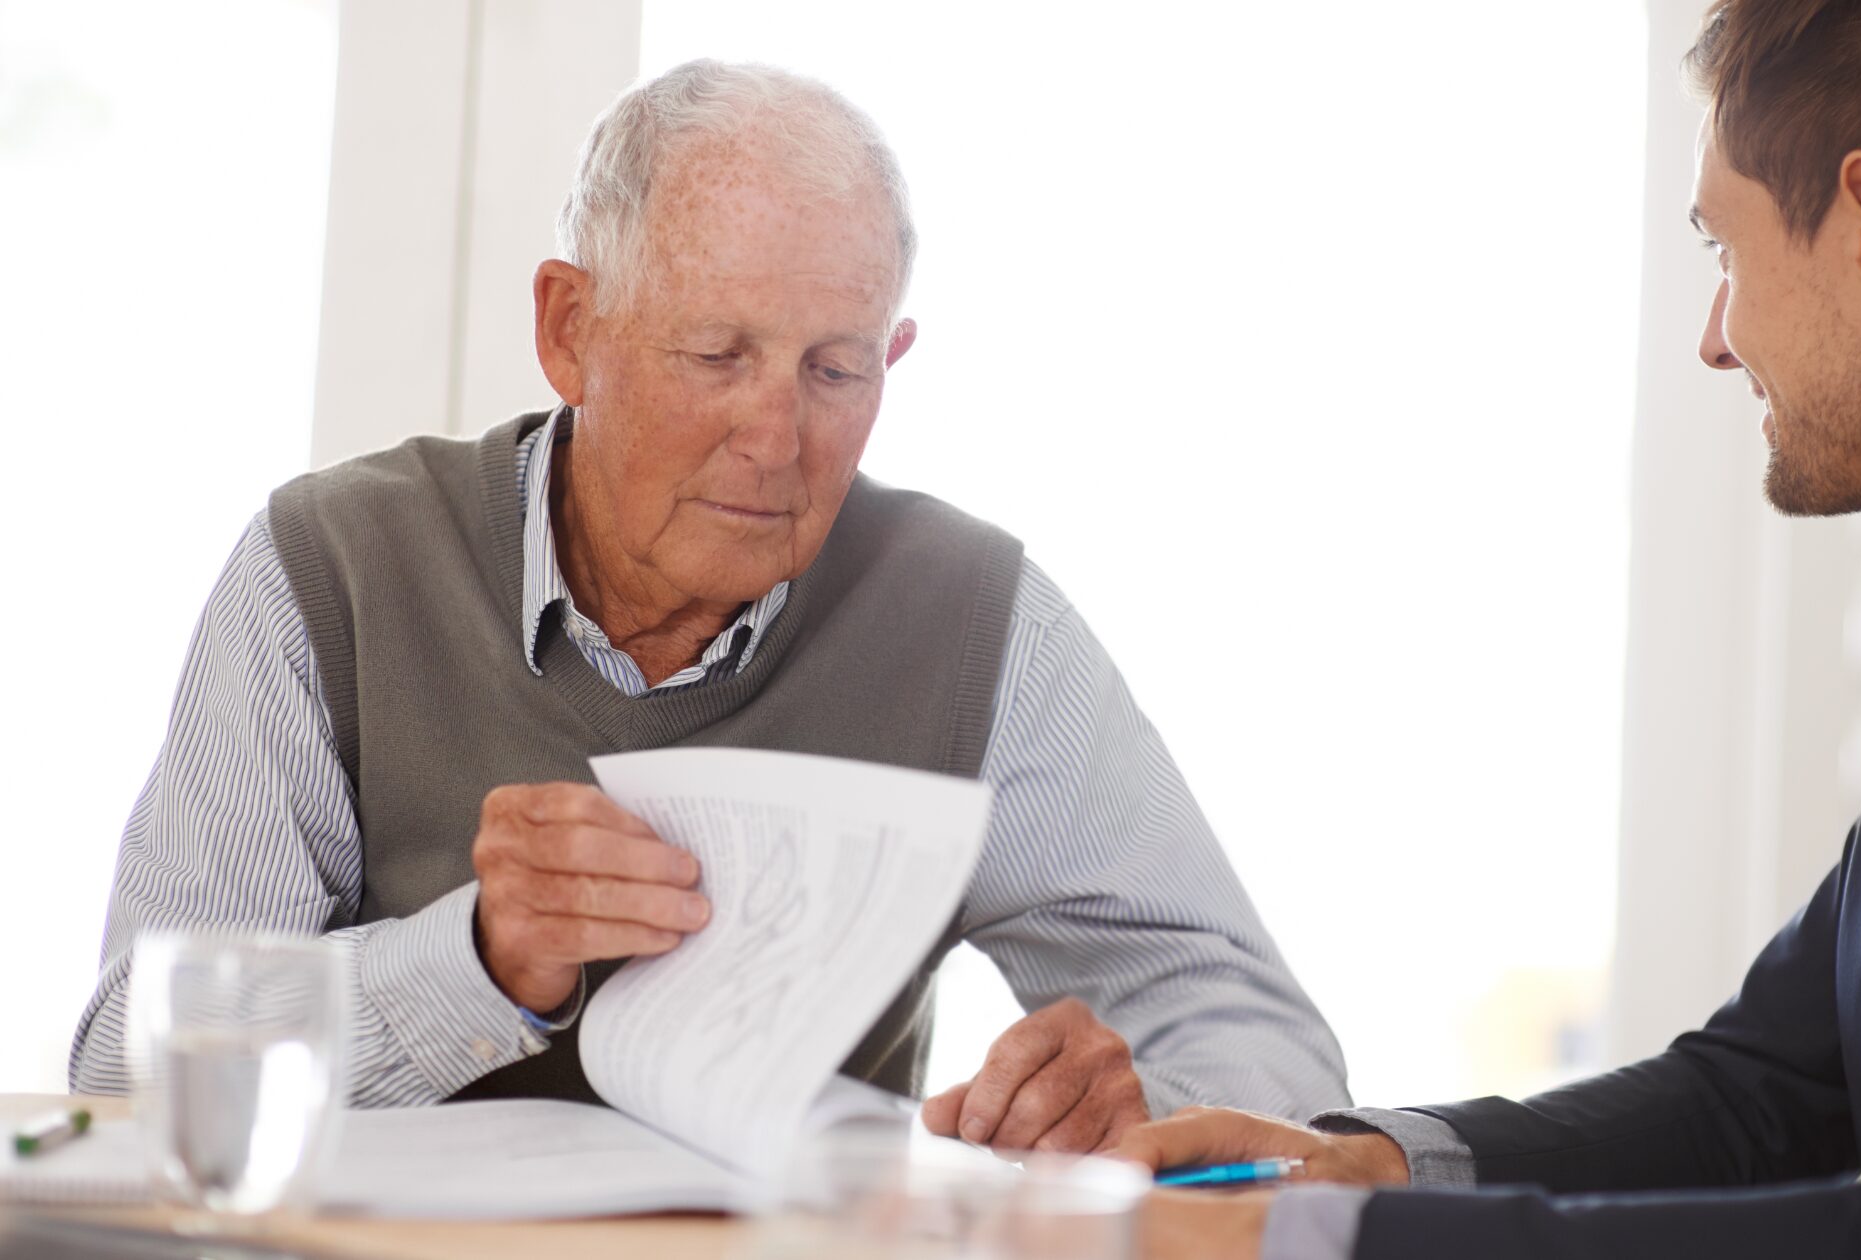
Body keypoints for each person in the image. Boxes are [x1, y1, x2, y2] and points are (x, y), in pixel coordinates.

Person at [1116, 0, 1861, 1254]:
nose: (1716, 340)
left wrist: (1305, 1249)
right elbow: (1769, 1090)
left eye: (1722, 249)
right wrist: (1363, 1169)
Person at [68, 60, 1347, 1153]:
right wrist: (478, 963)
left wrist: (1137, 1106)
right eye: (715, 356)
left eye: (834, 369)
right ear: (571, 330)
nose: (777, 436)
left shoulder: (975, 618)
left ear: (891, 361)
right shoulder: (331, 566)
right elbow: (131, 1064)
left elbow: (1250, 1038)